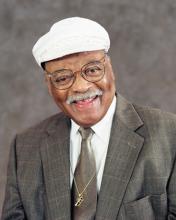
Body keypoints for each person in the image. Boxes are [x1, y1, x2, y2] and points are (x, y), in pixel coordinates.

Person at [2, 17, 176, 220]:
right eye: (63, 78)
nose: (81, 87)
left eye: (92, 70)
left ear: (110, 69)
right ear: (49, 85)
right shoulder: (25, 146)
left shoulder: (169, 134)